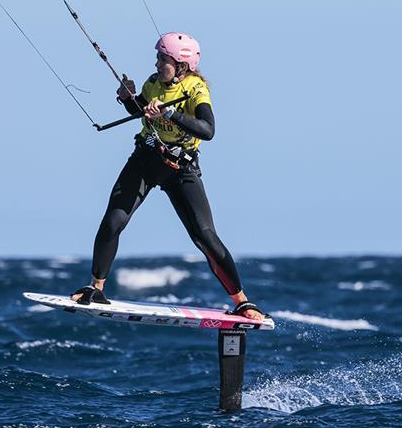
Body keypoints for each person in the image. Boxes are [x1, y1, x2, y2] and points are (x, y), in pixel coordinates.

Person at [71, 32, 264, 321]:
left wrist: (171, 113)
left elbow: (208, 130)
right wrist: (129, 99)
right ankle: (95, 288)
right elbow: (142, 112)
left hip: (180, 169)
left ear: (182, 65)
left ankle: (243, 302)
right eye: (159, 58)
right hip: (146, 161)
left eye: (164, 59)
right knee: (113, 220)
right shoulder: (152, 82)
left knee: (205, 237)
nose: (158, 63)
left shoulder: (196, 90)